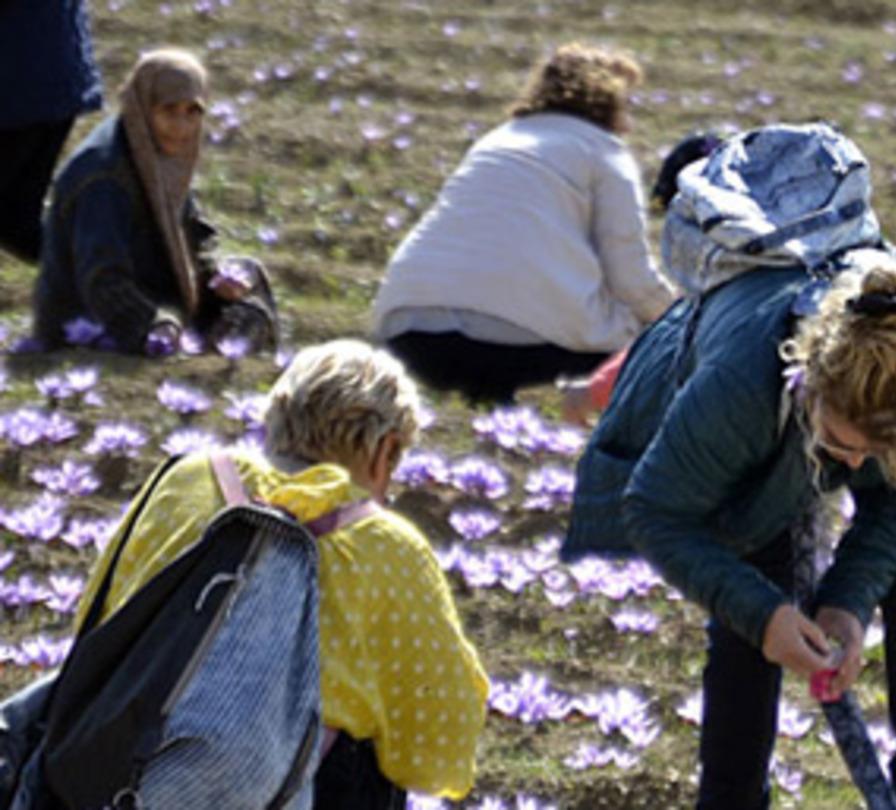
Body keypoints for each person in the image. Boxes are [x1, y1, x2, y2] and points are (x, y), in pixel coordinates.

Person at [562, 251, 896, 809]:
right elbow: (654, 509)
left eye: (876, 452)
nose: (853, 467)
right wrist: (764, 615)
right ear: (810, 389)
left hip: (868, 419)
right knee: (751, 588)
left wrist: (847, 602)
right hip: (758, 406)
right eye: (843, 447)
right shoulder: (739, 388)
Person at [74, 339, 490, 802]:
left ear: (277, 415)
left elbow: (97, 617)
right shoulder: (386, 545)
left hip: (121, 768)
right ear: (383, 450)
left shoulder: (184, 479)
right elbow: (435, 746)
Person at [372, 41, 674, 403]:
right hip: (511, 341)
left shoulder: (496, 140)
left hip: (407, 329)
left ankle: (495, 425)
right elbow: (630, 278)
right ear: (610, 100)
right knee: (646, 347)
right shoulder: (602, 152)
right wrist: (682, 317)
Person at [32, 48, 277, 356]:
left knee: (249, 276)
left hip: (160, 296)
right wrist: (156, 323)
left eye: (193, 112)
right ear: (143, 108)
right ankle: (201, 353)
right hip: (94, 321)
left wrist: (219, 271)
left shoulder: (155, 155)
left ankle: (219, 353)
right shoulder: (103, 176)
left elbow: (193, 236)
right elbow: (101, 279)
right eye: (169, 110)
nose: (181, 125)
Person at [0, 0, 103, 264]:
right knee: (16, 221)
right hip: (53, 75)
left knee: (16, 219)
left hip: (21, 84)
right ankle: (122, 286)